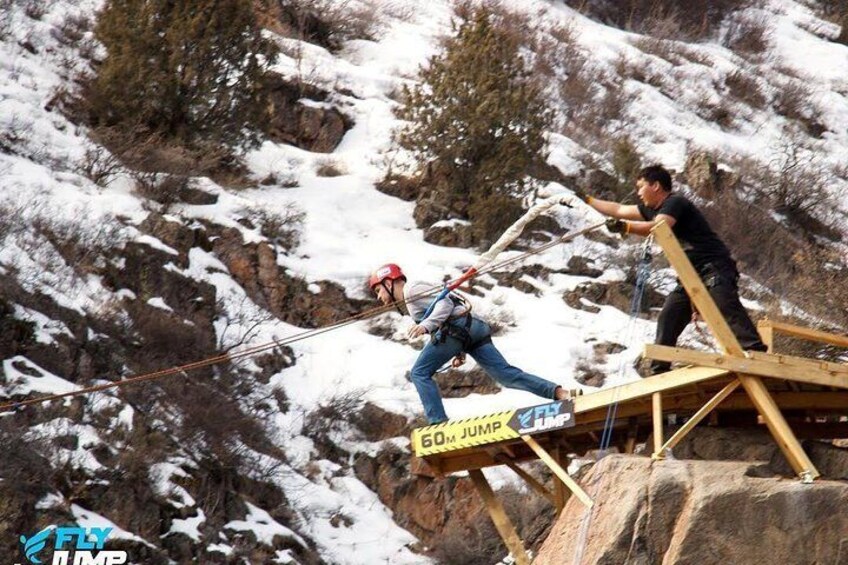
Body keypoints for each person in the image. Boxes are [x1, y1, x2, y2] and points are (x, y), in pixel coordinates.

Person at [574, 164, 766, 375]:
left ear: (655, 186)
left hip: (713, 266)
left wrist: (625, 227)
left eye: (641, 187)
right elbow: (618, 209)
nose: (638, 193)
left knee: (724, 303)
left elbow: (658, 227)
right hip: (688, 275)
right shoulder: (651, 210)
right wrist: (587, 200)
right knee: (669, 316)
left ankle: (756, 351)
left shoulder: (675, 203)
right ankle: (659, 368)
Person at [369, 263, 577, 424]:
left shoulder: (412, 291)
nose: (379, 297)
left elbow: (445, 303)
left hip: (459, 329)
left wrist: (426, 325)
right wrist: (458, 352)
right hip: (472, 329)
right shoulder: (410, 300)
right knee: (506, 375)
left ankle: (438, 423)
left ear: (389, 282)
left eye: (378, 290)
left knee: (419, 373)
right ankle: (560, 394)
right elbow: (448, 313)